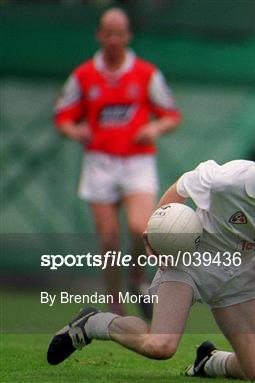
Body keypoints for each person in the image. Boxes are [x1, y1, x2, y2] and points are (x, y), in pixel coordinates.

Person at [47, 125, 255, 382]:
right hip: (189, 263)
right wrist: (156, 233)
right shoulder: (227, 179)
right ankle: (93, 323)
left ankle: (208, 362)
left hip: (237, 274)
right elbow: (181, 187)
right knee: (161, 346)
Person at [54, 8, 181, 318]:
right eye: (108, 32)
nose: (113, 39)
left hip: (137, 162)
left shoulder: (146, 74)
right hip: (100, 163)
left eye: (119, 33)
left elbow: (171, 115)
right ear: (99, 35)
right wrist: (75, 130)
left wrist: (154, 127)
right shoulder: (83, 76)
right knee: (109, 238)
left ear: (127, 36)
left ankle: (136, 277)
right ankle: (115, 305)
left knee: (140, 228)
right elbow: (63, 117)